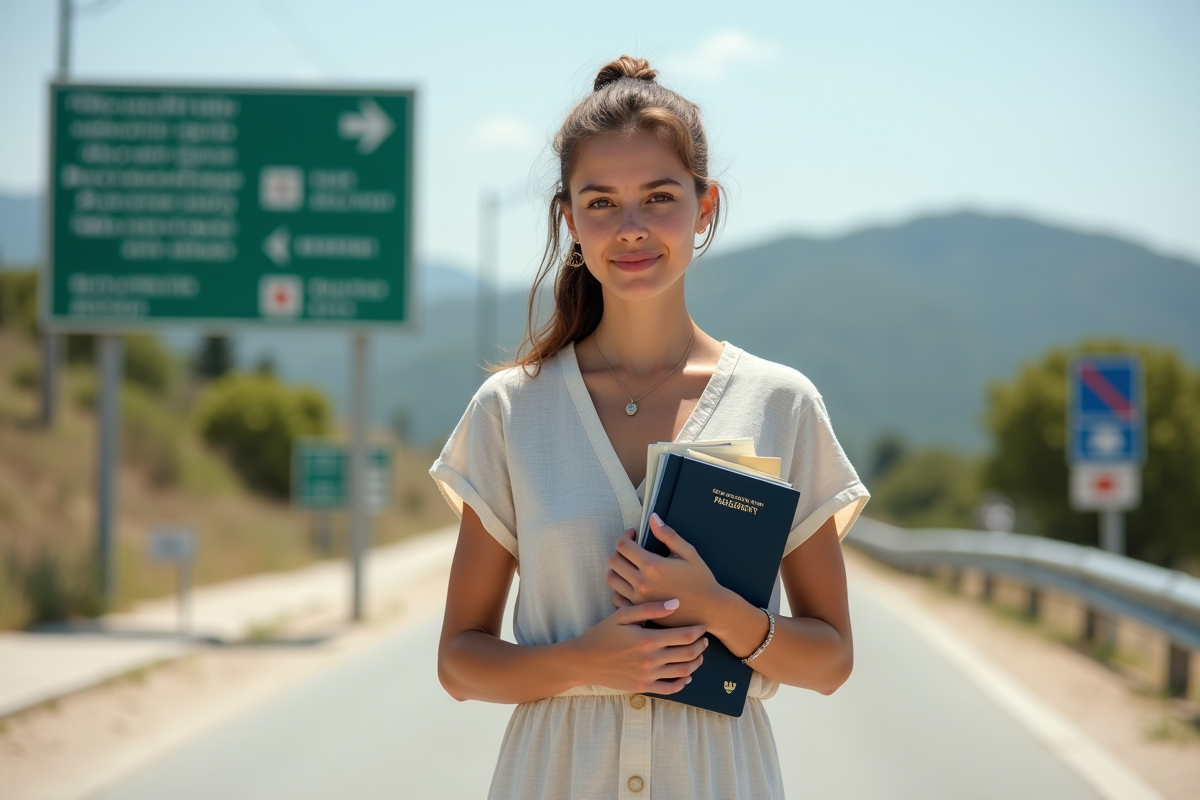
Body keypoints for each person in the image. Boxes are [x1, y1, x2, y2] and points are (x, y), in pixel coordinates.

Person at [430, 55, 870, 799]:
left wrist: (721, 612)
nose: (629, 229)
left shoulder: (780, 404)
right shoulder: (512, 410)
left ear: (704, 208)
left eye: (658, 197)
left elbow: (829, 661)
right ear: (570, 219)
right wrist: (582, 661)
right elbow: (460, 662)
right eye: (600, 203)